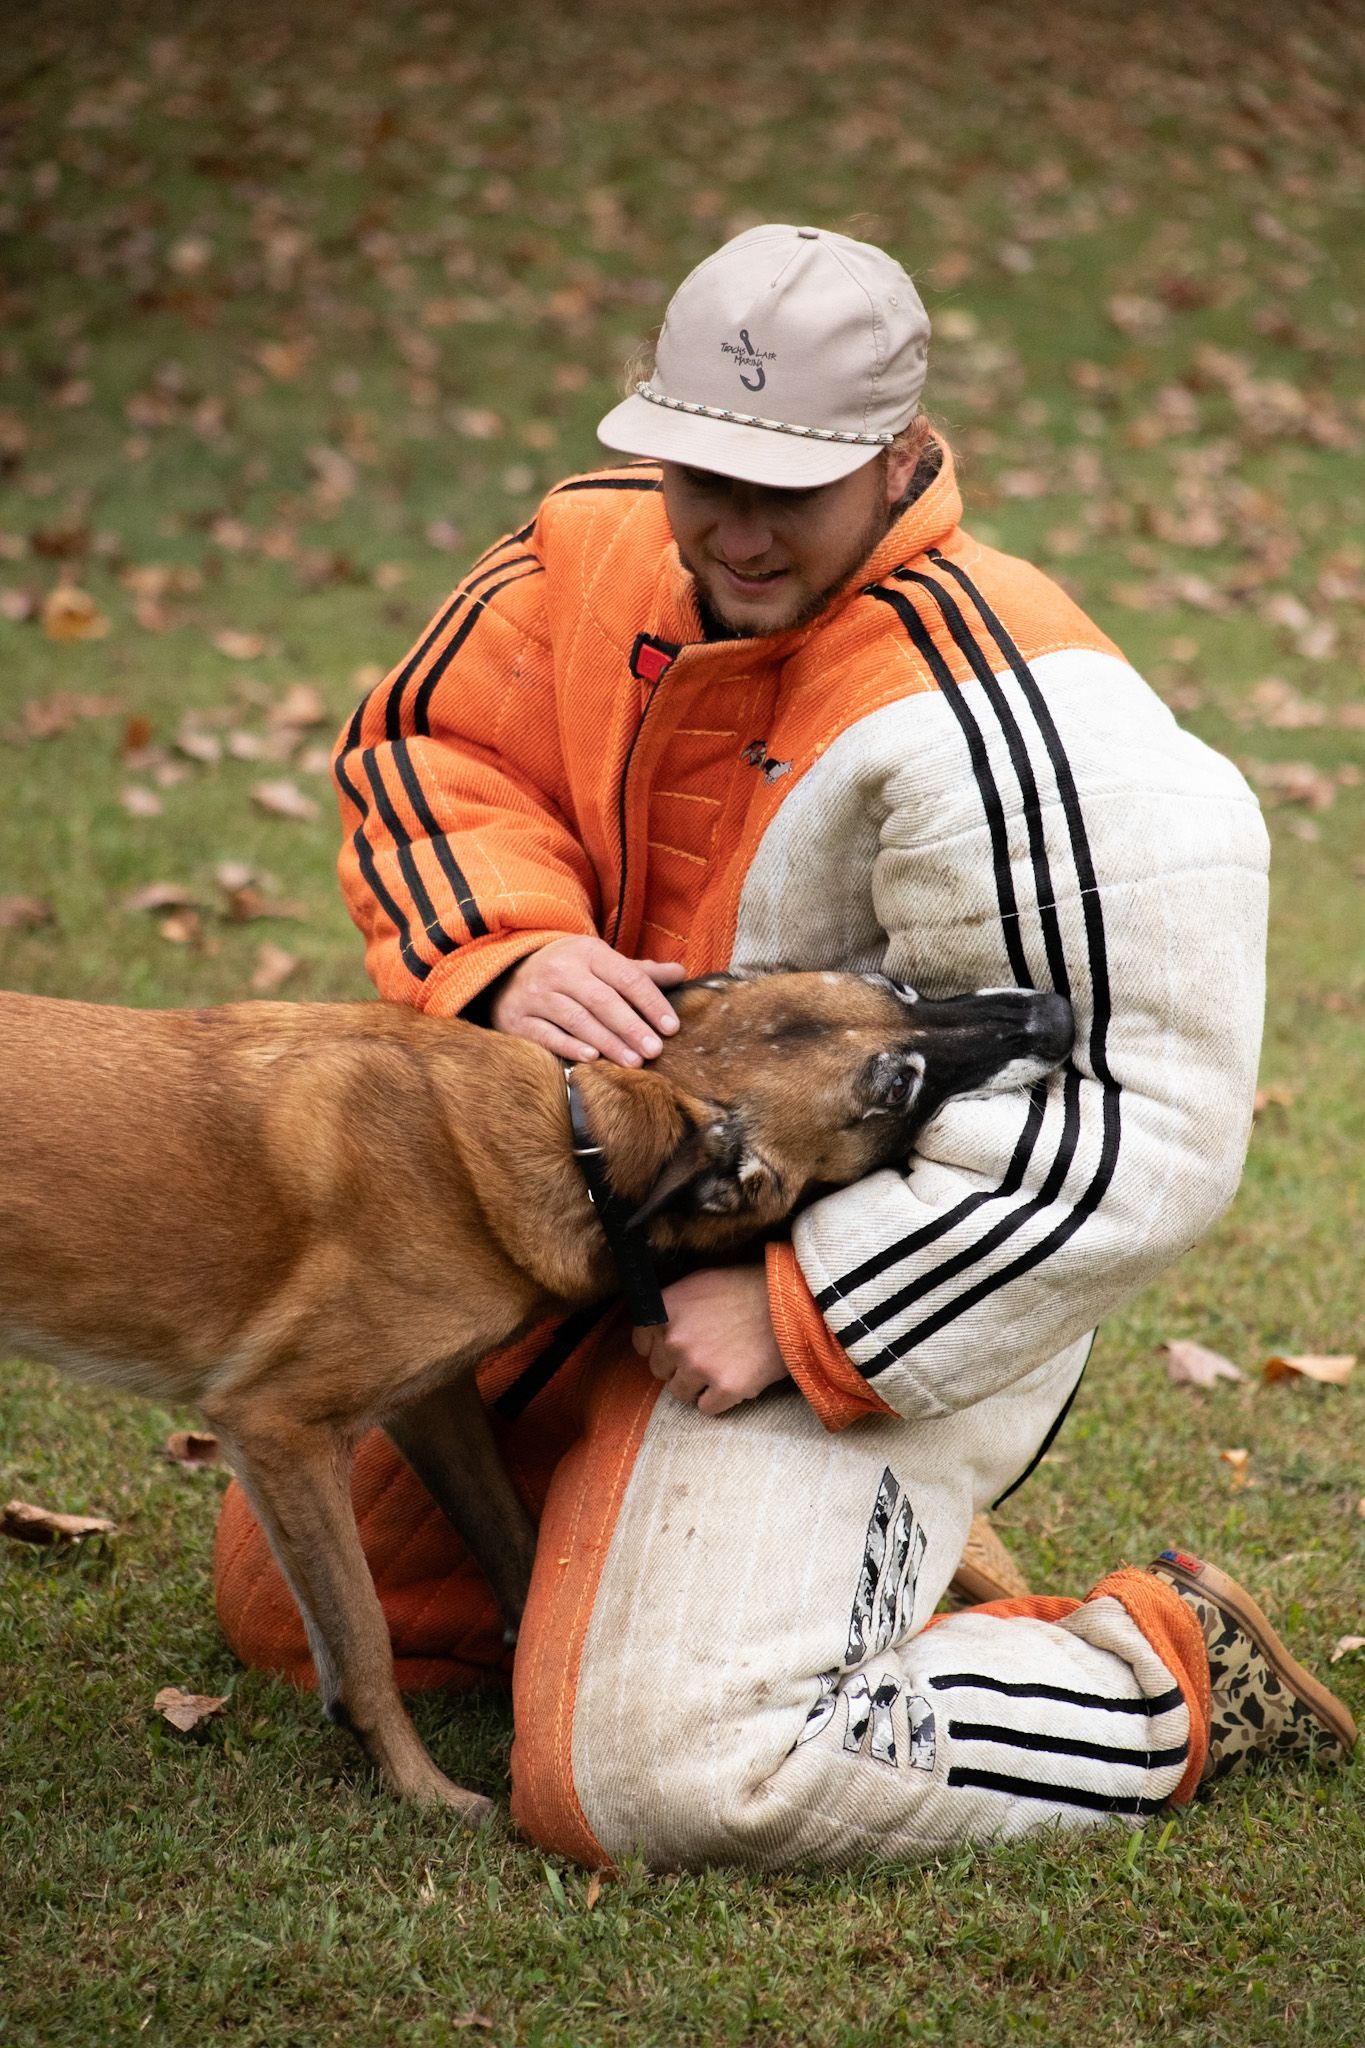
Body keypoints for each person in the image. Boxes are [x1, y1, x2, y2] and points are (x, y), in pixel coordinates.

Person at [214, 224, 1354, 1866]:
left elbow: (1137, 1109)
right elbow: (426, 749)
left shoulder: (1016, 700)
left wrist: (799, 1306)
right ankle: (831, 1564)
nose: (734, 527)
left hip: (907, 1271)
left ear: (899, 459)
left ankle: (1157, 1679)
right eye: (700, 472)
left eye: (790, 486)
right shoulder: (583, 553)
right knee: (304, 1597)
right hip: (605, 1227)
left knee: (658, 1773)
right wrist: (505, 942)